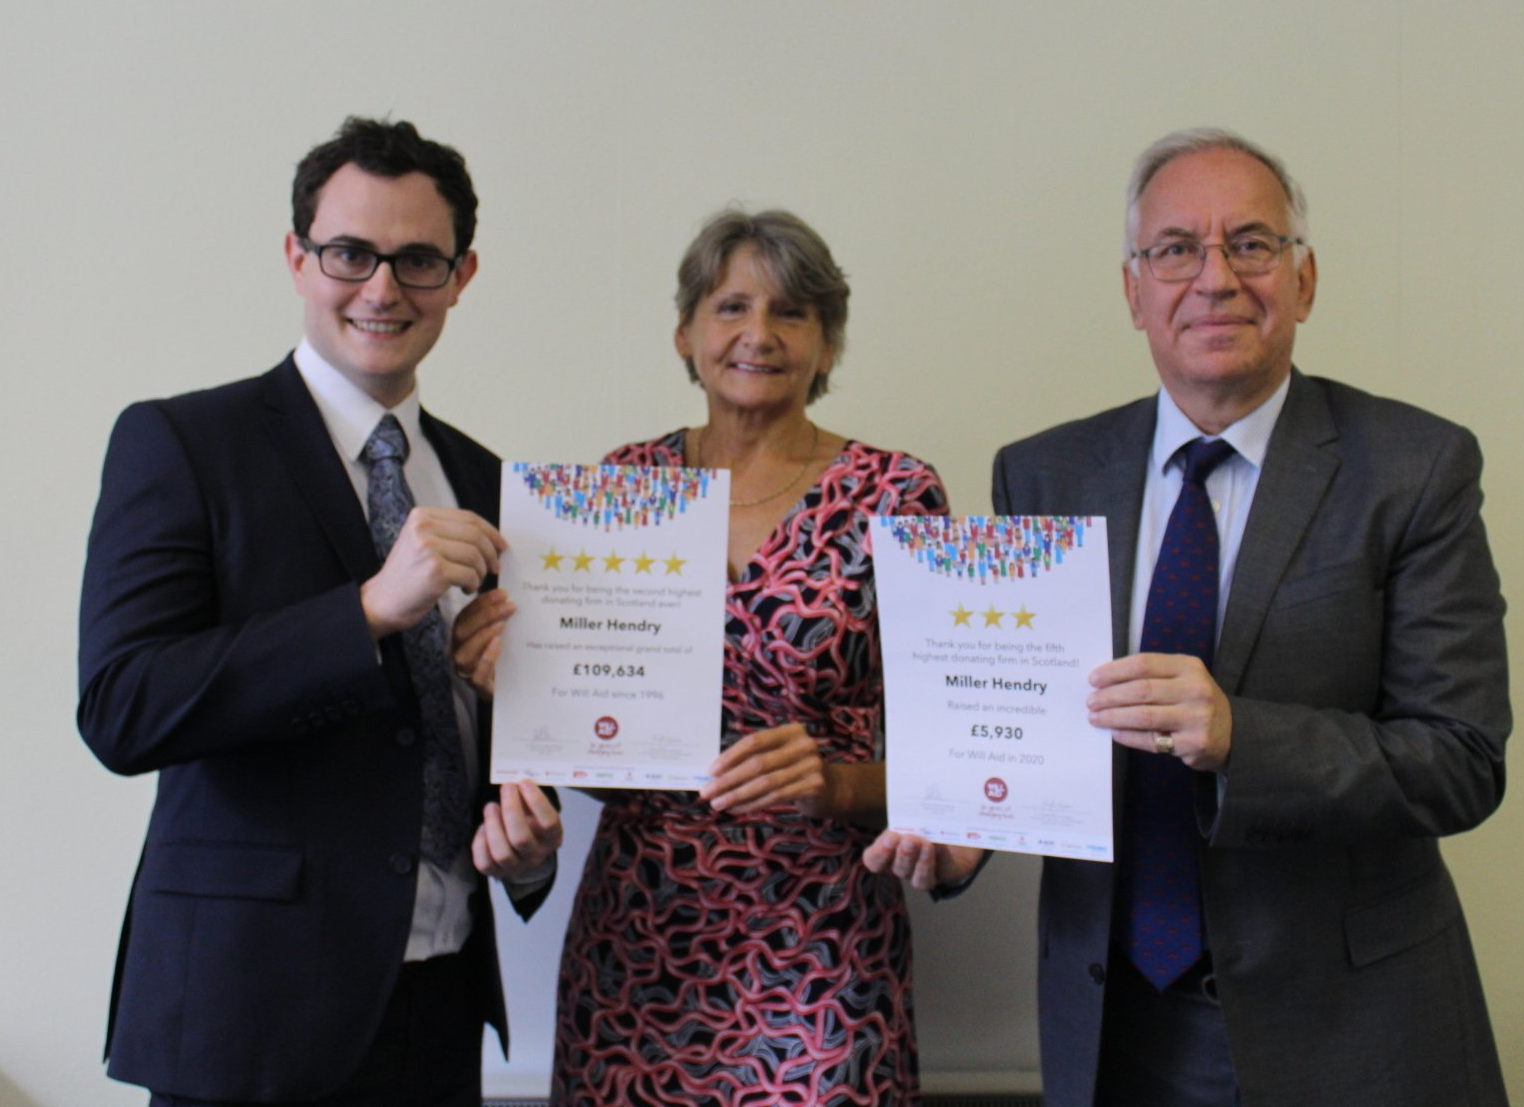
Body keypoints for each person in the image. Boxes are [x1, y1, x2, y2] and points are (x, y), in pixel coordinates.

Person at [866, 128, 1510, 1107]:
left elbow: (1461, 759)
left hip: (1346, 1033)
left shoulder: (1414, 468)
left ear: (1303, 280)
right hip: (1112, 1029)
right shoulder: (1042, 475)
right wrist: (971, 831)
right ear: (1134, 291)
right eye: (1176, 249)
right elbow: (1029, 719)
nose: (1215, 278)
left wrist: (1242, 735)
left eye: (1250, 243)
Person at [77, 117, 562, 1107]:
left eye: (418, 260)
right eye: (350, 253)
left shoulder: (489, 481)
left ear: (462, 276)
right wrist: (370, 609)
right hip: (250, 1011)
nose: (382, 289)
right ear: (298, 258)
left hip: (442, 1004)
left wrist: (526, 852)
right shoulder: (183, 443)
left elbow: (485, 728)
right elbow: (123, 707)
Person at [454, 209, 946, 1105]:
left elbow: (958, 756)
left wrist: (837, 784)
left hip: (824, 945)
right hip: (640, 941)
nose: (759, 333)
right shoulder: (621, 488)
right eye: (730, 307)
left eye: (791, 312)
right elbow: (602, 753)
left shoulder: (896, 495)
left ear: (828, 343)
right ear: (685, 332)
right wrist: (524, 691)